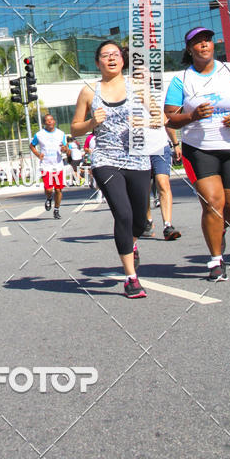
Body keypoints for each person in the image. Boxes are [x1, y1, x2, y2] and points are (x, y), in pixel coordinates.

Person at [71, 41, 150, 299]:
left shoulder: (137, 86)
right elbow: (74, 129)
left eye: (115, 55)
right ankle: (131, 278)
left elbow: (161, 118)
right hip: (105, 159)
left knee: (140, 220)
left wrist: (145, 120)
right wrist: (92, 122)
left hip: (137, 158)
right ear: (98, 63)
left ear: (123, 60)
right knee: (123, 214)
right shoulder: (88, 92)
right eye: (106, 56)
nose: (111, 59)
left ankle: (132, 243)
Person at [164, 26, 230, 281]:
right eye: (197, 41)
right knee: (213, 203)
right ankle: (216, 260)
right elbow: (170, 119)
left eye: (207, 39)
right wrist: (192, 116)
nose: (204, 44)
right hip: (199, 150)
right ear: (189, 49)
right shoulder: (181, 80)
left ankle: (219, 228)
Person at [142, 125, 182, 240]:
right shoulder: (130, 106)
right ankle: (148, 221)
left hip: (160, 146)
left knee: (163, 183)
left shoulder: (158, 106)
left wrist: (175, 144)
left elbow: (167, 122)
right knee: (144, 187)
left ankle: (168, 225)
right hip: (138, 147)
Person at [29, 114, 70, 219]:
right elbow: (32, 145)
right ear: (44, 123)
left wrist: (64, 149)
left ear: (54, 121)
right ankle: (48, 198)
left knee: (58, 190)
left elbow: (66, 148)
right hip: (46, 165)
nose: (50, 122)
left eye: (51, 120)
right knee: (48, 189)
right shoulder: (39, 135)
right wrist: (38, 154)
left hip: (58, 165)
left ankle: (56, 210)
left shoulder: (61, 134)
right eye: (47, 120)